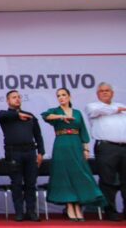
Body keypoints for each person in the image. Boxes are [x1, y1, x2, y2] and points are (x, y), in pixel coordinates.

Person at [41, 88, 106, 220]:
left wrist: (86, 149)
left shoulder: (77, 113)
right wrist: (62, 116)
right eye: (58, 96)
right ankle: (70, 205)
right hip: (61, 145)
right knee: (64, 174)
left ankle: (78, 205)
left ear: (69, 97)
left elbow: (83, 132)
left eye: (64, 95)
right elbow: (45, 116)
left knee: (78, 174)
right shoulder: (55, 111)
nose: (61, 97)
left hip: (76, 145)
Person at [0, 90, 45, 221]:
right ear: (8, 101)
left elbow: (38, 135)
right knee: (16, 183)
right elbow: (2, 116)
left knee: (31, 183)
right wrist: (18, 115)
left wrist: (41, 152)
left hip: (30, 152)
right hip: (13, 153)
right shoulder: (4, 115)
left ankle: (31, 211)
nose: (17, 99)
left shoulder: (30, 116)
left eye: (19, 97)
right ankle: (19, 212)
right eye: (14, 97)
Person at [86, 83, 126, 221]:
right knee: (108, 181)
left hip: (124, 147)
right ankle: (111, 211)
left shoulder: (121, 106)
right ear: (97, 94)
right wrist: (117, 109)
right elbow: (100, 111)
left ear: (112, 93)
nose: (104, 93)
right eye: (101, 91)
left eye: (107, 90)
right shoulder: (93, 106)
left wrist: (119, 108)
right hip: (106, 147)